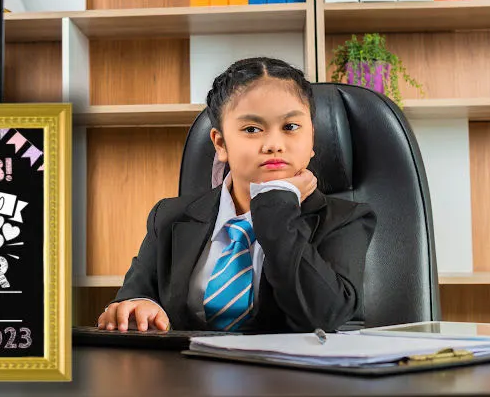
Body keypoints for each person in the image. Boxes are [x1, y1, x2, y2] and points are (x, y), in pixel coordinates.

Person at [97, 57, 377, 333]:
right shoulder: (169, 218)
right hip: (186, 374)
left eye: (290, 127)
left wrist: (277, 208)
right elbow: (134, 296)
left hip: (291, 377)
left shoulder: (346, 220)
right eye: (252, 129)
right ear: (220, 143)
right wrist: (137, 306)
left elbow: (323, 316)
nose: (274, 145)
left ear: (312, 137)